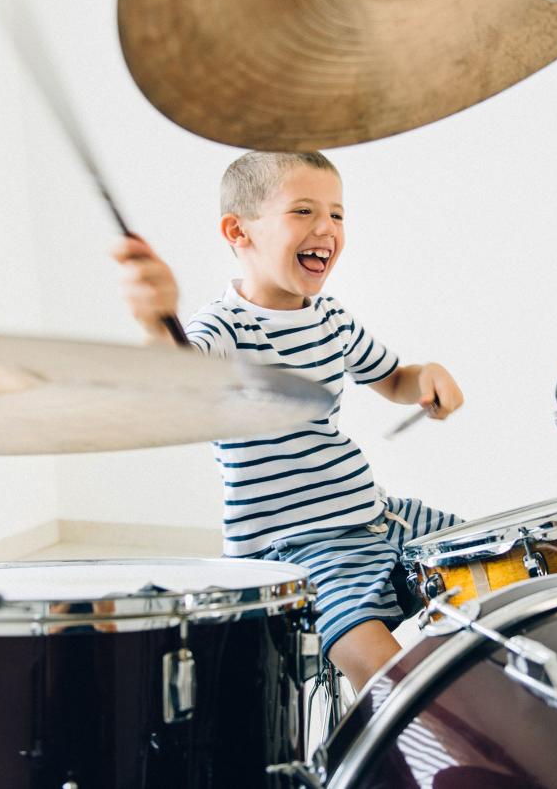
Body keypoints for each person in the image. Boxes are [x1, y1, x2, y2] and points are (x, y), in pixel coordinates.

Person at [113, 150, 463, 688]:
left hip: (379, 516)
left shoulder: (331, 318)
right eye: (303, 211)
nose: (327, 227)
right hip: (296, 548)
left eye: (338, 214)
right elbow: (182, 376)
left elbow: (394, 379)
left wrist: (427, 378)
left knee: (510, 575)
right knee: (390, 675)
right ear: (238, 231)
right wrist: (158, 319)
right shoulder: (226, 328)